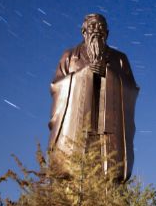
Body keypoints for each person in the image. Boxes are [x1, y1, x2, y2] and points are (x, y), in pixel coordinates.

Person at [47, 13, 139, 181]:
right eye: (92, 26)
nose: (96, 30)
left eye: (100, 26)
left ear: (107, 33)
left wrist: (108, 74)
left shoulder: (119, 59)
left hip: (108, 129)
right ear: (84, 31)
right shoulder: (70, 56)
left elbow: (131, 90)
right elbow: (57, 86)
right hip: (78, 127)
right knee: (73, 175)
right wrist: (83, 75)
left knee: (109, 176)